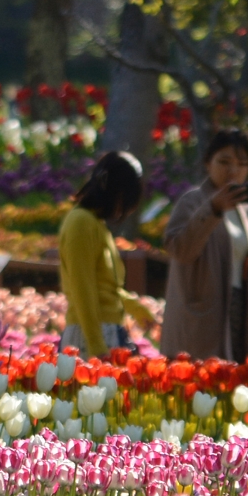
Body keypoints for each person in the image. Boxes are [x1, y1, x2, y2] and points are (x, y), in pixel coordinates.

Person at [161, 129, 248, 360]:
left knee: (230, 383)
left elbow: (231, 264)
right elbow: (180, 250)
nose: (233, 170)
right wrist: (212, 209)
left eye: (242, 164)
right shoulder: (193, 201)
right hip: (202, 316)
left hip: (235, 310)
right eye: (224, 162)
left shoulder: (243, 210)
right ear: (207, 163)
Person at [59, 151, 158, 355]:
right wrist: (96, 347)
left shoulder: (96, 224)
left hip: (106, 331)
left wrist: (133, 307)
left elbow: (105, 287)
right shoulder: (81, 222)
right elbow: (82, 290)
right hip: (89, 335)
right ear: (118, 194)